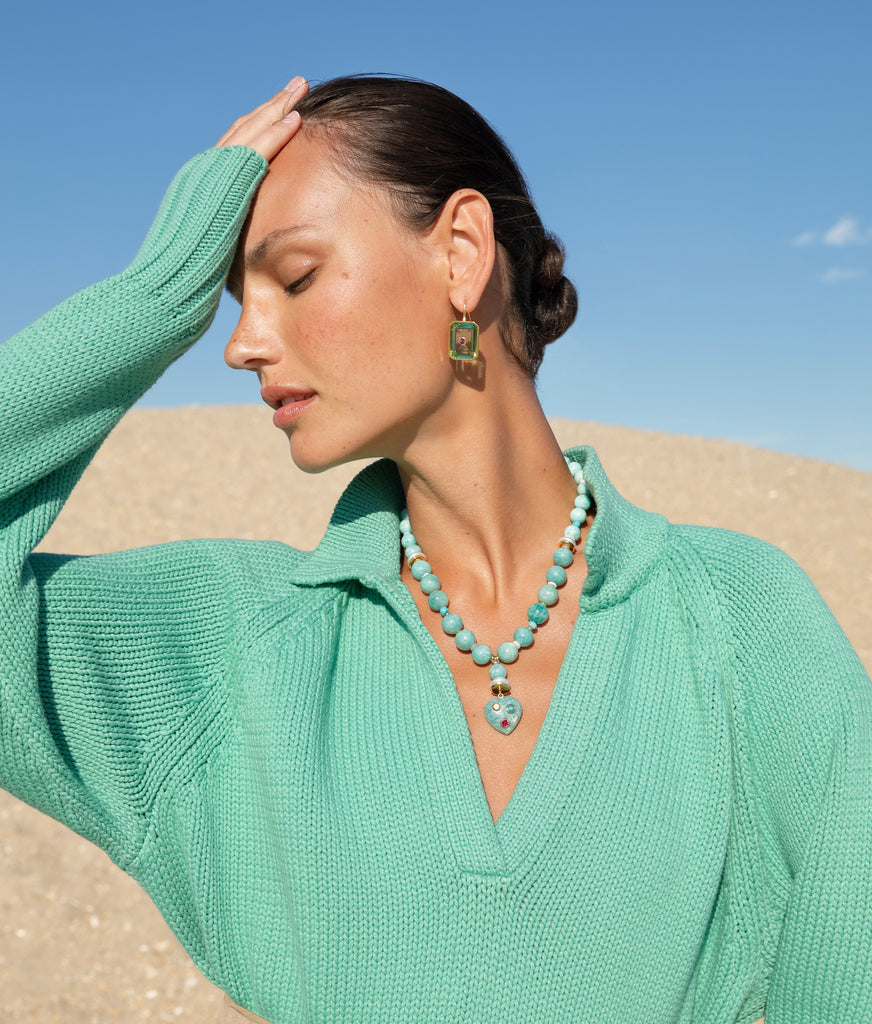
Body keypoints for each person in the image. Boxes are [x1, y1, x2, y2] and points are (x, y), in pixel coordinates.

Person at [0, 74, 870, 1024]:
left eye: (293, 278)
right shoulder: (230, 652)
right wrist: (152, 297)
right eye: (225, 299)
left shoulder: (742, 626)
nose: (240, 343)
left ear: (460, 254)